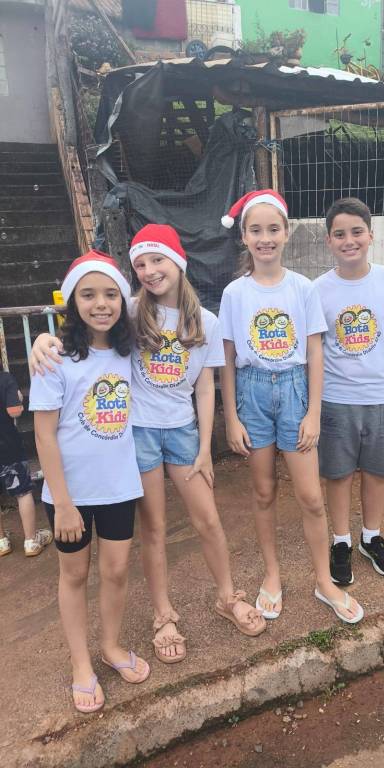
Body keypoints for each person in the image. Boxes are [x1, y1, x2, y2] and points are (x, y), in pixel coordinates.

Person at [30, 225, 266, 665]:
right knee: (154, 528)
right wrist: (44, 341)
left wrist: (204, 447)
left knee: (208, 519)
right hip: (137, 433)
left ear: (179, 262)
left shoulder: (206, 321)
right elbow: (84, 329)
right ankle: (163, 616)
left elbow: (205, 388)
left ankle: (228, 596)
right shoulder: (131, 310)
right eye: (140, 264)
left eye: (158, 260)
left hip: (182, 432)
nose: (150, 270)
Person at [219, 189, 364, 624]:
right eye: (255, 230)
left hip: (295, 391)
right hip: (252, 394)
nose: (265, 238)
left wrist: (313, 412)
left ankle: (324, 580)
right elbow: (227, 359)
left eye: (273, 229)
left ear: (287, 232)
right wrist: (231, 417)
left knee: (311, 497)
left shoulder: (302, 288)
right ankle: (272, 574)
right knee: (264, 492)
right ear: (244, 236)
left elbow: (315, 352)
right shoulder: (234, 293)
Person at [29, 251, 149, 714]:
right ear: (72, 301)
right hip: (70, 495)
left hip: (119, 486)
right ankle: (81, 664)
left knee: (116, 571)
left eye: (110, 294)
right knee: (74, 575)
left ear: (122, 300)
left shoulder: (127, 350)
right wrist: (63, 504)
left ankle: (112, 646)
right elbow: (44, 435)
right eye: (88, 294)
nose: (101, 304)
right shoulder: (55, 358)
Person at [314, 197, 384, 587]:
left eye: (357, 232)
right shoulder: (318, 290)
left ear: (371, 235)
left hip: (383, 398)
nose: (349, 241)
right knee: (338, 473)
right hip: (336, 399)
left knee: (377, 472)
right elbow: (314, 350)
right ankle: (340, 540)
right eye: (339, 234)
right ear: (329, 240)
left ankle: (370, 536)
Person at [0, 363, 52, 557]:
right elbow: (14, 411)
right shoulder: (5, 379)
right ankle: (31, 540)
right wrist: (19, 398)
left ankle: (1, 541)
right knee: (22, 491)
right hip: (8, 446)